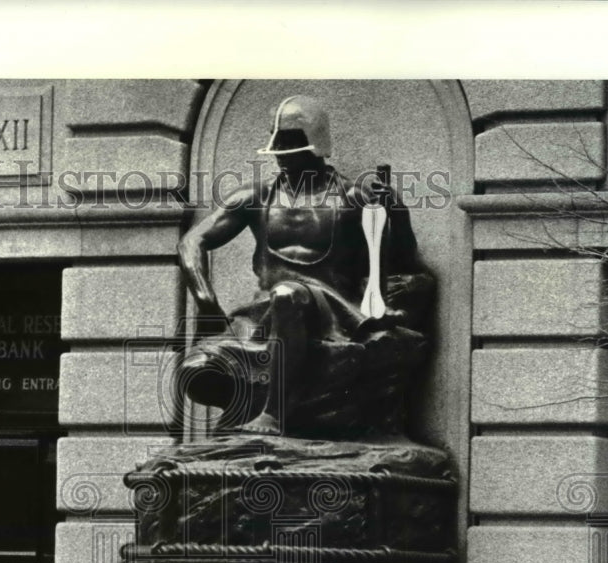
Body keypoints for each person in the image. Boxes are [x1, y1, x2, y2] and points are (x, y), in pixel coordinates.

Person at [177, 95, 432, 438]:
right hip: (263, 315)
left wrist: (397, 215)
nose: (281, 154)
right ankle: (243, 420)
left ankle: (273, 414)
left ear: (316, 145)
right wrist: (206, 301)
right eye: (277, 145)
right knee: (197, 370)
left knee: (287, 294)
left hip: (331, 308)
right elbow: (192, 242)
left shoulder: (352, 198)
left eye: (290, 145)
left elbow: (399, 260)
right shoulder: (256, 196)